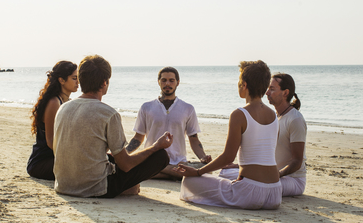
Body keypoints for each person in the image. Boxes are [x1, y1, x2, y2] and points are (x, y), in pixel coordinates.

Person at [53, 55, 173, 198]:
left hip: (63, 184)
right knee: (161, 156)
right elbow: (125, 164)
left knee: (109, 157)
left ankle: (126, 186)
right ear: (104, 82)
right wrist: (156, 146)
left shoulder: (63, 108)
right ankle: (126, 188)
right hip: (94, 188)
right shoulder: (108, 114)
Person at [175, 61, 282, 210]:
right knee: (226, 171)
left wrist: (198, 171)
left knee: (188, 181)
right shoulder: (273, 115)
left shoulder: (239, 114)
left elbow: (228, 157)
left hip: (250, 193)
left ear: (244, 85)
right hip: (275, 193)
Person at [126, 66, 211, 180]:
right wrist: (124, 154)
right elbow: (138, 137)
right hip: (152, 160)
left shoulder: (187, 108)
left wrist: (203, 157)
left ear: (178, 82)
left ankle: (160, 173)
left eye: (171, 80)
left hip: (179, 162)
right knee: (197, 174)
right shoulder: (147, 107)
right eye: (164, 80)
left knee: (206, 169)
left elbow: (194, 139)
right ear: (158, 82)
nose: (167, 83)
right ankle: (172, 174)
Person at [27, 61, 78, 180]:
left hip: (57, 158)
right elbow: (50, 141)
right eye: (74, 78)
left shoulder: (69, 102)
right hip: (42, 162)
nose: (78, 82)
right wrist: (70, 157)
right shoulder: (54, 102)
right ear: (61, 80)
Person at [266, 73, 307, 197]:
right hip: (274, 175)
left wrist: (278, 174)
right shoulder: (274, 117)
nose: (267, 93)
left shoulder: (295, 120)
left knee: (258, 186)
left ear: (285, 93)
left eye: (272, 89)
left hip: (293, 180)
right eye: (268, 88)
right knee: (230, 173)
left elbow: (297, 161)